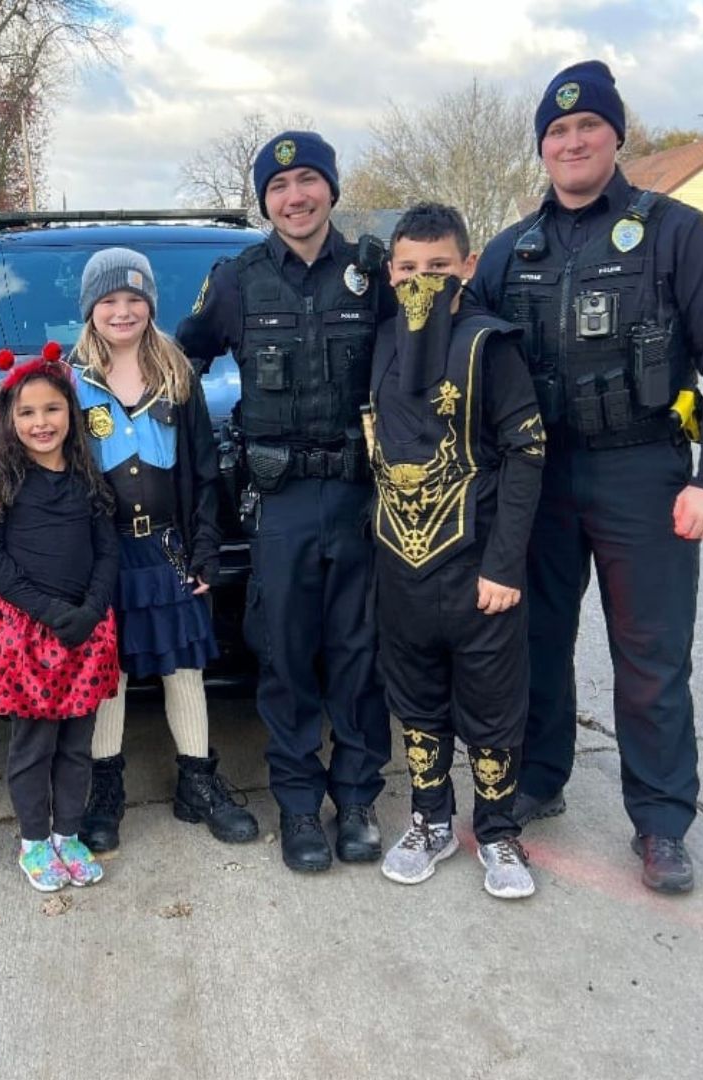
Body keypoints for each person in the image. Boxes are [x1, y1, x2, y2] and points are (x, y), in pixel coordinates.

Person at [470, 61, 703, 894]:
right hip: (538, 481)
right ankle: (541, 776)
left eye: (587, 127)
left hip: (644, 473)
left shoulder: (677, 232)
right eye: (556, 131)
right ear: (542, 148)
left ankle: (660, 820)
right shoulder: (511, 250)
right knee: (536, 640)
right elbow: (462, 359)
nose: (572, 141)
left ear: (617, 135)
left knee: (651, 655)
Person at [176, 131, 392, 873]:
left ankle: (358, 798)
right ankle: (300, 807)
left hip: (363, 495)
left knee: (359, 655)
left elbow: (422, 363)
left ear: (330, 187)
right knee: (288, 656)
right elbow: (180, 360)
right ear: (264, 200)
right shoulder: (235, 278)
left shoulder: (375, 271)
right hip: (282, 501)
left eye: (307, 181)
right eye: (278, 186)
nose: (294, 197)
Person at [367, 204, 545, 899]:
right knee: (416, 703)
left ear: (467, 267)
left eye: (438, 267)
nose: (422, 280)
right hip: (402, 567)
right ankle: (429, 821)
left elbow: (527, 452)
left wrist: (504, 565)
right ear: (390, 272)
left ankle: (498, 833)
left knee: (493, 706)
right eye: (408, 268)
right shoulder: (381, 340)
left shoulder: (489, 345)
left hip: (478, 570)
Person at [70, 248, 259, 853]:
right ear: (90, 310)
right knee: (109, 673)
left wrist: (205, 549)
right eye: (108, 301)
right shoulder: (70, 381)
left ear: (150, 304)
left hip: (167, 548)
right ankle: (104, 791)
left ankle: (197, 782)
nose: (122, 311)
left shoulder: (177, 375)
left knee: (184, 667)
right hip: (102, 554)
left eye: (134, 299)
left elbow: (205, 471)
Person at [0, 355, 121, 891]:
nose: (41, 422)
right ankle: (35, 840)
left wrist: (92, 608)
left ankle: (68, 833)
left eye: (53, 408)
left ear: (71, 414)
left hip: (86, 629)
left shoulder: (87, 477)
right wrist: (51, 612)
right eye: (28, 411)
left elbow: (107, 551)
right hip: (30, 633)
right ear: (9, 417)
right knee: (35, 744)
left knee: (78, 743)